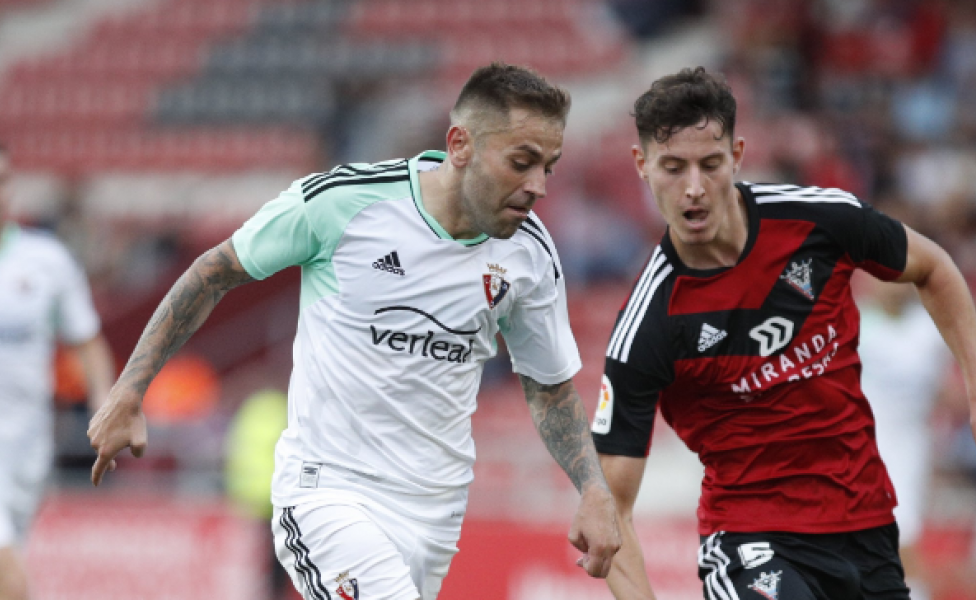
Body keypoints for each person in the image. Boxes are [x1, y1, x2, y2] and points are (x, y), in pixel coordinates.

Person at [88, 63, 621, 600]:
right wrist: (131, 389)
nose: (538, 186)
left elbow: (548, 385)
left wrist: (593, 489)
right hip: (329, 493)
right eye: (521, 163)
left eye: (548, 168)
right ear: (460, 144)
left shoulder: (529, 253)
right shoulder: (343, 203)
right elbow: (213, 271)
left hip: (436, 512)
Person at [592, 67, 976, 600]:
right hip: (752, 541)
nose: (694, 189)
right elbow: (611, 505)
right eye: (673, 168)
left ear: (739, 155)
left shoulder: (818, 220)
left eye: (710, 163)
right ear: (642, 165)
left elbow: (933, 268)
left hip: (865, 526)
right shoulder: (649, 322)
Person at [0, 146, 115, 600]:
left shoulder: (46, 260)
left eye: (4, 180)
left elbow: (86, 340)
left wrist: (105, 403)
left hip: (25, 448)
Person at [858, 279, 952, 600]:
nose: (892, 288)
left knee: (902, 529)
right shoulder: (858, 325)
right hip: (865, 445)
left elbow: (947, 392)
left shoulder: (927, 331)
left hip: (911, 446)